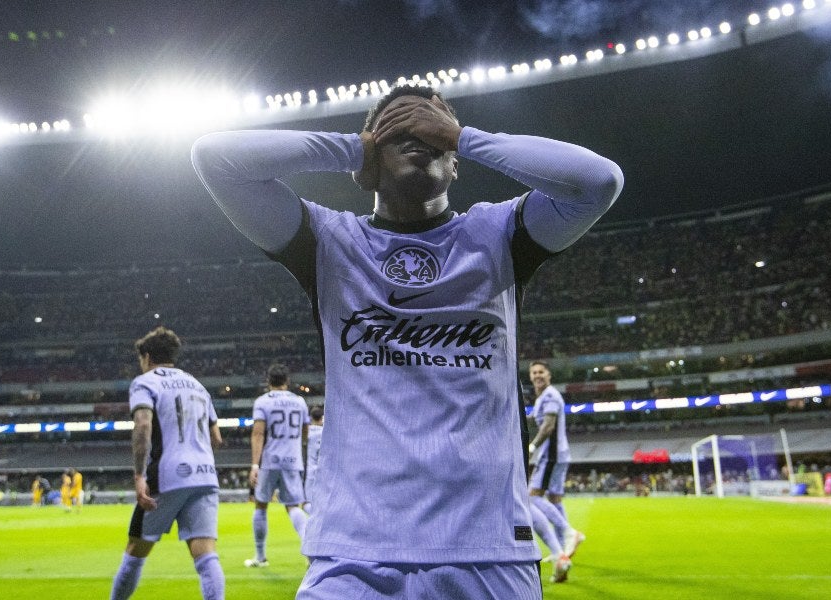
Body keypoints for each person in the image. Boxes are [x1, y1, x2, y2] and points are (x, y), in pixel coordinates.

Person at [192, 83, 623, 598]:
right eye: (399, 127)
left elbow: (599, 181)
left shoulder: (499, 234)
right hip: (351, 554)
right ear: (371, 155)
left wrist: (466, 137)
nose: (419, 131)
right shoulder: (328, 241)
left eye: (432, 125)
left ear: (456, 158)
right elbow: (214, 158)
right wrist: (354, 148)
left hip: (488, 552)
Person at [109, 326, 225, 600]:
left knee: (135, 552)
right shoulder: (197, 384)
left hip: (166, 475)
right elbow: (216, 438)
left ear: (147, 357)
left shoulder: (145, 381)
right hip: (205, 475)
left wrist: (139, 475)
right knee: (206, 555)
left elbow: (143, 424)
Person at [244, 363, 311, 568]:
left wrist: (255, 465)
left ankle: (260, 557)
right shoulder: (299, 401)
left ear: (268, 381)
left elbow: (258, 433)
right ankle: (312, 552)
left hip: (270, 460)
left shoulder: (263, 402)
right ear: (287, 381)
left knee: (261, 504)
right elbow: (305, 431)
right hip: (292, 460)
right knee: (293, 507)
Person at [528, 360, 585, 560]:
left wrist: (532, 446)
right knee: (554, 499)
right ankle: (564, 548)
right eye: (534, 372)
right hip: (558, 453)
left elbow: (548, 426)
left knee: (532, 497)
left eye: (541, 372)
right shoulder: (542, 397)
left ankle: (569, 532)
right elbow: (534, 421)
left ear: (549, 375)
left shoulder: (550, 395)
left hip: (551, 454)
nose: (537, 375)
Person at [303, 404, 324, 514]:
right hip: (326, 471)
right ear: (322, 418)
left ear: (311, 417)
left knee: (308, 503)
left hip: (310, 471)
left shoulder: (307, 432)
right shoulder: (326, 432)